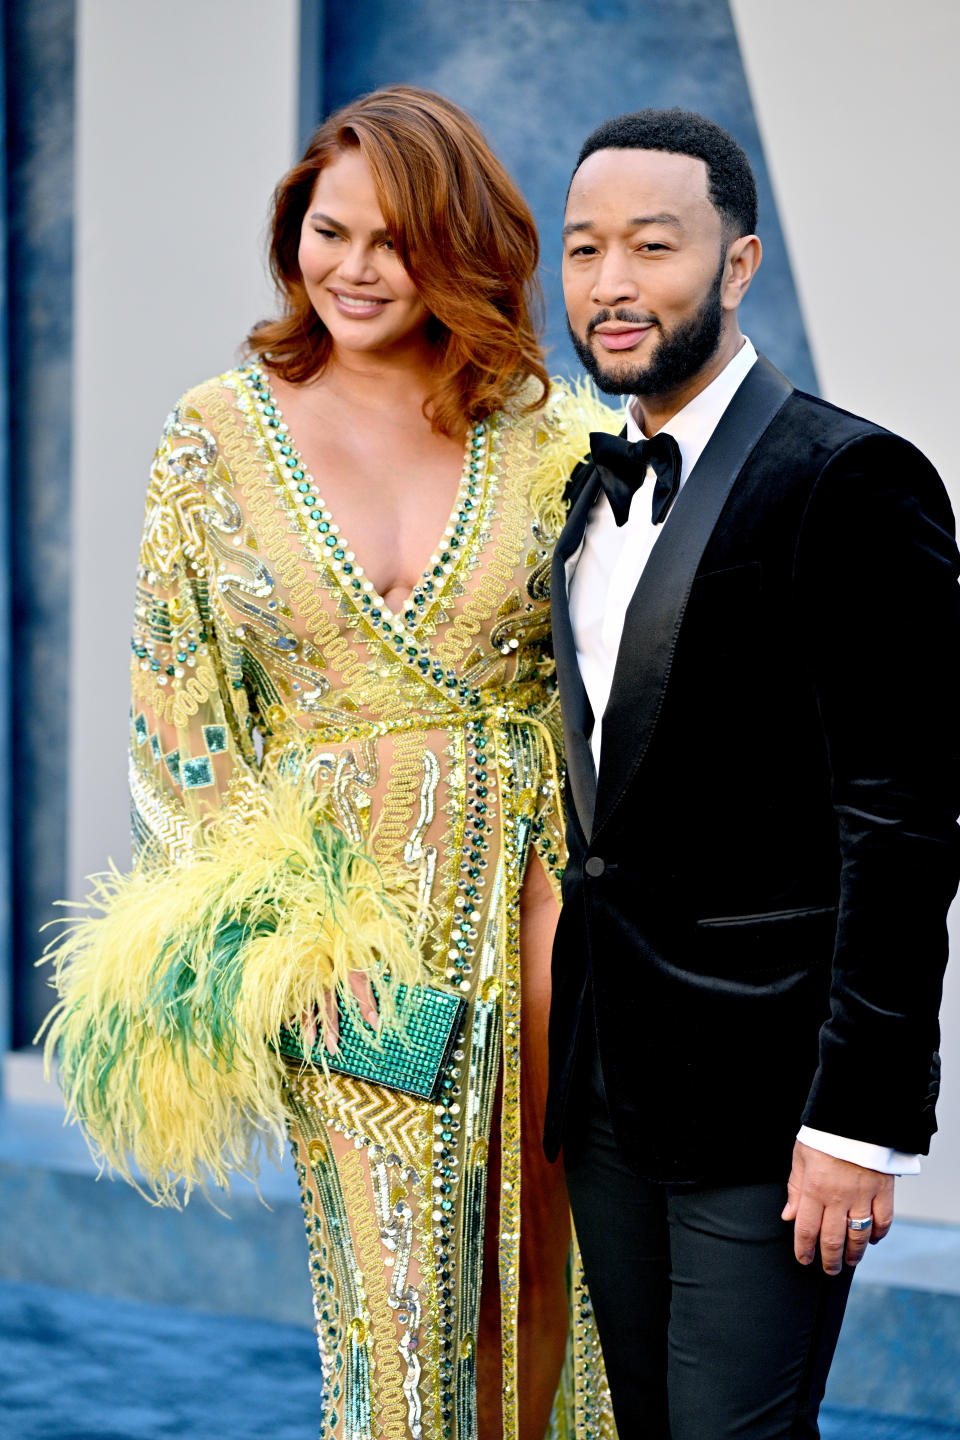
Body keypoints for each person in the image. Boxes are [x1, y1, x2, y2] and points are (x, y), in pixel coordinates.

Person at [45, 86, 618, 1440]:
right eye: (330, 228)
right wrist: (298, 943)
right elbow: (180, 730)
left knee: (562, 1273)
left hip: (550, 918)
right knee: (394, 1303)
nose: (354, 268)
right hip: (347, 937)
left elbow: (616, 694)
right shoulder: (213, 436)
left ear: (462, 248)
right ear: (291, 228)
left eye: (397, 239)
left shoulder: (550, 436)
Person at [545, 107, 960, 1439]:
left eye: (651, 248)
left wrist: (858, 1120)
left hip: (772, 1095)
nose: (611, 286)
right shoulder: (586, 491)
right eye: (583, 250)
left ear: (738, 264)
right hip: (610, 1080)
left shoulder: (852, 479)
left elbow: (901, 822)